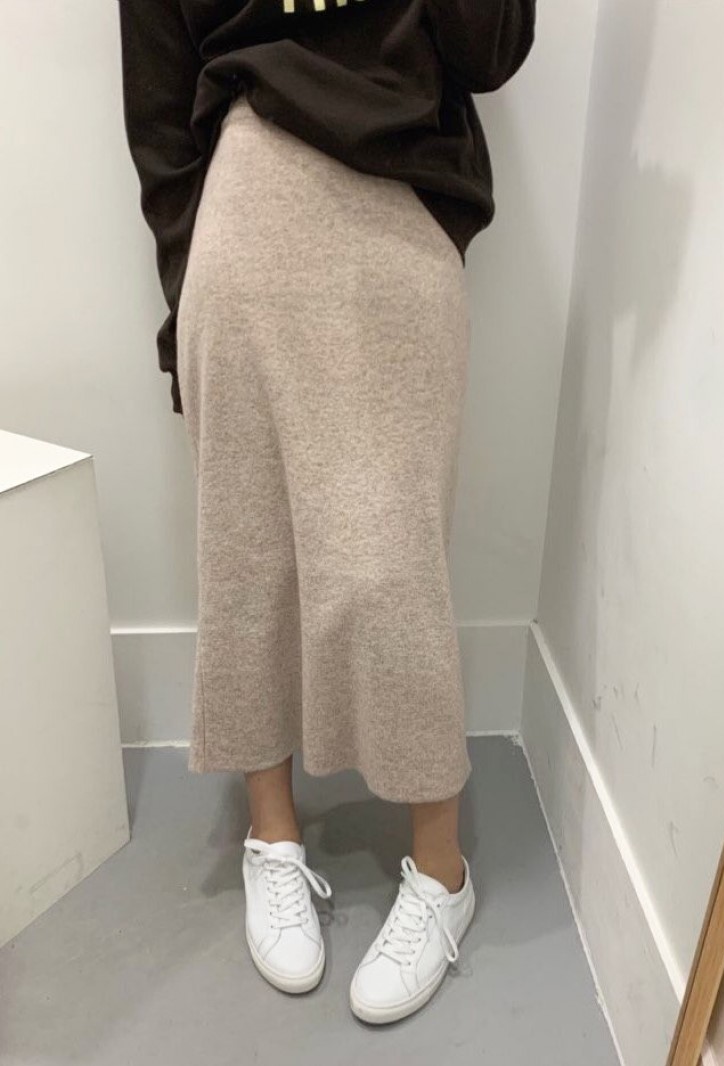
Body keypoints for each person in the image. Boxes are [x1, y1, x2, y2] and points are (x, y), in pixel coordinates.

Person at [117, 0, 535, 1025]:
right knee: (247, 558)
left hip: (399, 211)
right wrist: (183, 305)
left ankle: (441, 869)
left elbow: (491, 48)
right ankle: (272, 835)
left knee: (391, 571)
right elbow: (161, 117)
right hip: (242, 207)